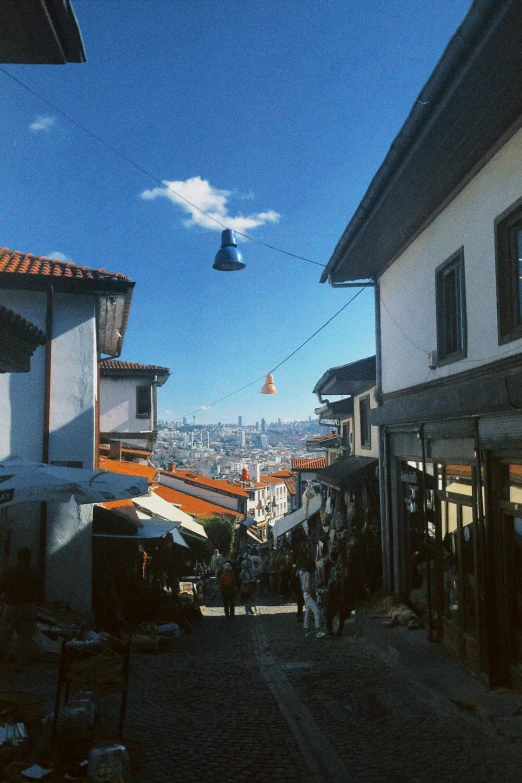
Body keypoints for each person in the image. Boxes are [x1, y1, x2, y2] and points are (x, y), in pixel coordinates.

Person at [0, 547, 41, 668]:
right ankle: (20, 664)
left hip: (12, 607)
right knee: (24, 637)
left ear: (18, 558)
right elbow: (40, 590)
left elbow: (1, 587)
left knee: (5, 634)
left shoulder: (10, 571)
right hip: (28, 607)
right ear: (29, 558)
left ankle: (3, 661)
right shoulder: (34, 572)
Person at [297, 557, 326, 638]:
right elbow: (309, 587)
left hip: (306, 594)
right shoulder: (309, 574)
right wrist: (314, 595)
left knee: (307, 612)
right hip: (309, 595)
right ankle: (318, 630)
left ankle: (307, 630)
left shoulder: (305, 573)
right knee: (317, 611)